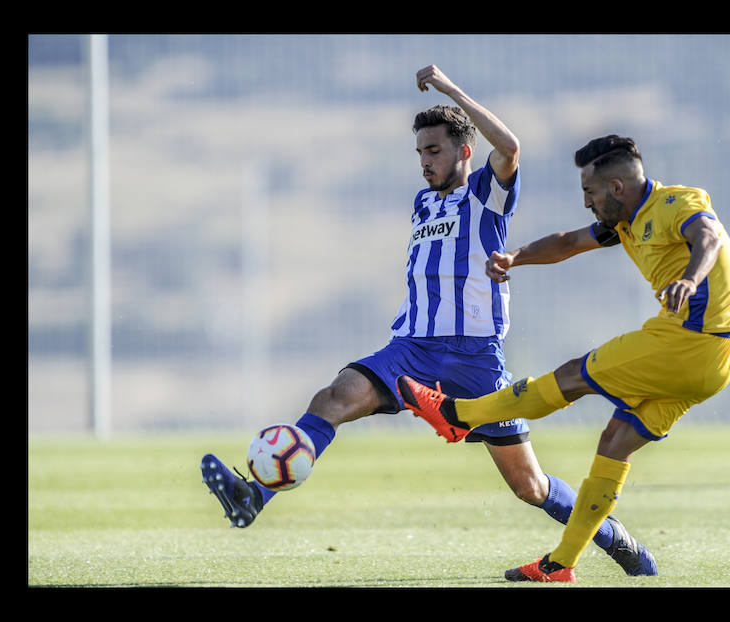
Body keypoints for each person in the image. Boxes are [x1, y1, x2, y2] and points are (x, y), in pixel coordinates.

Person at [200, 69, 656, 577]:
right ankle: (254, 496)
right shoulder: (423, 203)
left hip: (474, 361)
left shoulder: (487, 194)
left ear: (464, 151)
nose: (424, 162)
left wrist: (450, 91)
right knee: (332, 398)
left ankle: (615, 539)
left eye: (434, 151)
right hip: (410, 349)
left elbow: (509, 146)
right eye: (419, 152)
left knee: (531, 488)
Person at [398, 134, 730, 583]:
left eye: (590, 193)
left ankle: (458, 414)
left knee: (573, 376)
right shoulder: (622, 220)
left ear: (616, 188)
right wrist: (515, 257)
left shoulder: (676, 203)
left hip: (691, 340)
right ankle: (560, 564)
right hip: (714, 363)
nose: (587, 203)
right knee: (615, 442)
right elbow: (567, 242)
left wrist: (690, 280)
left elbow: (709, 235)